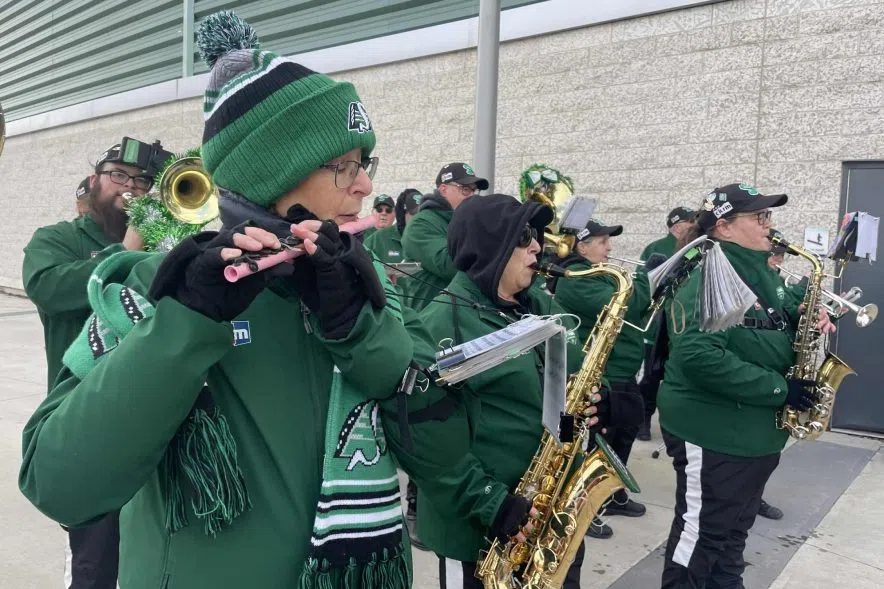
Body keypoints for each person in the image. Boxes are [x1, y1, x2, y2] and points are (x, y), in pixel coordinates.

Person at [19, 12, 469, 589]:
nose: (364, 186)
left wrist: (360, 329)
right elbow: (59, 484)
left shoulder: (362, 283)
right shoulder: (162, 285)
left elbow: (445, 460)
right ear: (273, 173)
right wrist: (183, 326)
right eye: (346, 166)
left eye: (366, 165)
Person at [410, 193, 624, 589]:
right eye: (523, 236)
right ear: (487, 245)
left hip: (552, 515)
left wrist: (601, 399)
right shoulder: (437, 324)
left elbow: (581, 371)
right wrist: (494, 505)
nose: (538, 246)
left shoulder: (539, 303)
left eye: (536, 235)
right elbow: (426, 445)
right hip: (482, 535)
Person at [656, 183, 835, 589]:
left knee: (732, 537)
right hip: (714, 433)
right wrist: (778, 389)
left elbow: (770, 317)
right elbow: (699, 356)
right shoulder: (708, 275)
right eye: (759, 216)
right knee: (699, 539)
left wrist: (807, 312)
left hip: (750, 435)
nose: (769, 225)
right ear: (724, 227)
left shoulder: (754, 269)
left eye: (768, 216)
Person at [22, 140, 161, 589]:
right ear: (94, 179)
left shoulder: (163, 239)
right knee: (95, 564)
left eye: (142, 181)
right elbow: (47, 287)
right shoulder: (57, 239)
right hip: (89, 422)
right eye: (118, 175)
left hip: (155, 416)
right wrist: (126, 251)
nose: (130, 187)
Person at [551, 219, 650, 539]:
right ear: (581, 246)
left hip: (621, 371)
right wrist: (647, 280)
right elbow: (624, 305)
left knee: (624, 433)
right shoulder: (577, 278)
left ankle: (612, 493)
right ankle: (583, 505)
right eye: (602, 241)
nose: (610, 248)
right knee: (596, 442)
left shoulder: (600, 274)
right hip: (601, 375)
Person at [636, 207, 696, 441]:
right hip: (657, 321)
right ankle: (644, 421)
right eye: (690, 221)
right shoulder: (655, 248)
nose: (694, 224)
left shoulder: (694, 247)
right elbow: (643, 284)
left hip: (678, 321)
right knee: (650, 376)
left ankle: (673, 424)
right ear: (677, 225)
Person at [400, 162, 488, 311]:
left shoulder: (466, 221)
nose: (472, 196)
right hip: (431, 318)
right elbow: (450, 265)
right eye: (465, 190)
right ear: (443, 190)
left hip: (466, 312)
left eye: (474, 191)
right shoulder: (420, 224)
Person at [364, 188, 421, 264]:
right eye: (379, 209)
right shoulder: (375, 239)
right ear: (403, 214)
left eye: (388, 210)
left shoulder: (434, 236)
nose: (383, 213)